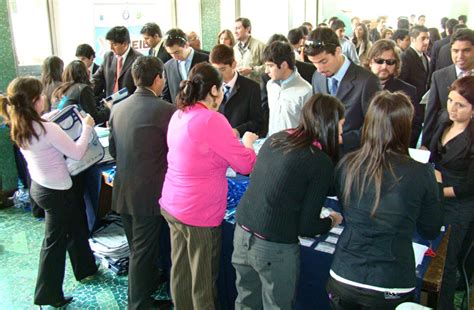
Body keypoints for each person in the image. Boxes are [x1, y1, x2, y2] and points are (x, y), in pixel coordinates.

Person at [327, 91, 443, 309]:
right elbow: (430, 229)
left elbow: (350, 209)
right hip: (391, 282)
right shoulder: (421, 173)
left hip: (344, 274)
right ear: (405, 127)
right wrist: (436, 185)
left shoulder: (347, 164)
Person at [159, 63, 258, 309]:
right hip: (198, 212)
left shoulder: (179, 114)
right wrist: (247, 143)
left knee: (181, 272)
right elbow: (246, 165)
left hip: (173, 204)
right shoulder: (212, 120)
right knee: (202, 284)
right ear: (214, 90)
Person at [233, 94, 344, 309]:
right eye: (339, 128)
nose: (341, 136)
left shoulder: (278, 137)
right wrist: (332, 220)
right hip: (273, 247)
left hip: (242, 234)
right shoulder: (318, 161)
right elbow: (308, 227)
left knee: (246, 300)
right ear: (328, 126)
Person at [0, 77, 98, 307]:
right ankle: (47, 294)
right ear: (34, 101)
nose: (46, 97)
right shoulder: (47, 128)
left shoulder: (20, 122)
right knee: (54, 244)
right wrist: (87, 127)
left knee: (75, 226)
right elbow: (76, 152)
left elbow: (43, 129)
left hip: (40, 187)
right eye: (42, 95)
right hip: (58, 191)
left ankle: (85, 268)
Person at [108, 56, 176, 309]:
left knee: (138, 248)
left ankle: (144, 289)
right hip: (149, 193)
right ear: (159, 78)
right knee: (142, 252)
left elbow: (114, 151)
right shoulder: (166, 110)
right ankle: (139, 304)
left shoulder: (117, 107)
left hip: (124, 189)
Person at [428, 76, 474, 309]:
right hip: (436, 196)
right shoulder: (444, 120)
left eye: (460, 105)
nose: (452, 108)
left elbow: (469, 186)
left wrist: (437, 191)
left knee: (446, 265)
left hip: (458, 205)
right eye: (450, 101)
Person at [306, 27, 381, 153]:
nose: (319, 68)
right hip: (323, 156)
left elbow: (376, 126)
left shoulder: (367, 81)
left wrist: (343, 139)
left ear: (338, 51)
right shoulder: (317, 77)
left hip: (354, 157)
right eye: (314, 63)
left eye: (323, 61)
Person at [422, 29, 474, 148]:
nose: (460, 56)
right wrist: (425, 144)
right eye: (456, 51)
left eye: (466, 50)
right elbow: (431, 112)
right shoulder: (439, 76)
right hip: (445, 143)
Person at [366, 39, 422, 148]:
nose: (384, 66)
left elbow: (415, 126)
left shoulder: (408, 91)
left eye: (390, 62)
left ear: (396, 64)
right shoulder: (359, 87)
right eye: (379, 61)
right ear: (370, 62)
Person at [209, 44, 263, 137]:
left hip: (240, 141)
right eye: (215, 70)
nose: (218, 75)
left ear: (233, 64)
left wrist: (238, 131)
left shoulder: (252, 88)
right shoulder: (210, 87)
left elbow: (257, 122)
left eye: (222, 69)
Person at [264, 41, 312, 136]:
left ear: (284, 65)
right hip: (272, 144)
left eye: (270, 66)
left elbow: (310, 128)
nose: (266, 71)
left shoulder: (306, 91)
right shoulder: (270, 85)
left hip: (294, 147)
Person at [92, 26, 141, 99]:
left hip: (129, 105)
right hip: (110, 105)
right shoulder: (108, 56)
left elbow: (140, 87)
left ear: (125, 43)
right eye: (110, 44)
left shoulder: (138, 59)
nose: (111, 48)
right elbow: (97, 79)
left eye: (114, 45)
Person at [162, 28, 209, 104]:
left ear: (186, 45)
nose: (174, 56)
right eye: (170, 53)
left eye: (177, 52)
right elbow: (166, 96)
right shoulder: (167, 67)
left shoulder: (206, 60)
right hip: (179, 113)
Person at [399, 25, 431, 103]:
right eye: (423, 38)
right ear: (413, 39)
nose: (426, 42)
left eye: (428, 38)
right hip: (411, 102)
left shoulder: (424, 56)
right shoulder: (405, 57)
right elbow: (401, 83)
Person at [233, 17, 266, 83]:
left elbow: (268, 66)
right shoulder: (234, 48)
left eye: (238, 28)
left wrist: (252, 70)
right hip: (239, 86)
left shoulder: (260, 46)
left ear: (248, 29)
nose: (235, 32)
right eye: (234, 29)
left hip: (256, 87)